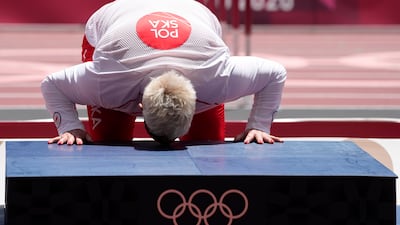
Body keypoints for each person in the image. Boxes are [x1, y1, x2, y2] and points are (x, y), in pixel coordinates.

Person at [41, 0, 287, 145]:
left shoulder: (216, 78)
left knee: (207, 142)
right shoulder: (108, 81)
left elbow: (275, 74)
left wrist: (260, 125)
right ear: (140, 106)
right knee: (110, 142)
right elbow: (52, 85)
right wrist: (69, 128)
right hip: (114, 25)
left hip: (190, 18)